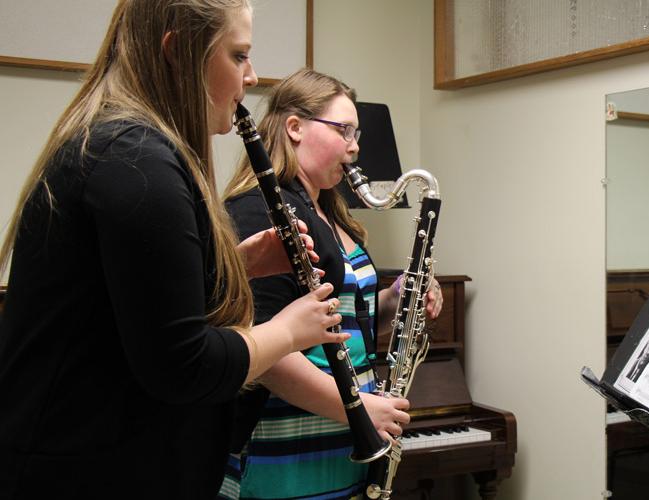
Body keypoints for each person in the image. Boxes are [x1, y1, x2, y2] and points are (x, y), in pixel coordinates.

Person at [0, 2, 348, 499]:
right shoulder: (137, 162)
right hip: (89, 470)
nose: (251, 77)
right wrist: (289, 331)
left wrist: (239, 267)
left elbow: (124, 301)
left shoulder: (122, 145)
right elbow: (186, 366)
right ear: (178, 51)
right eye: (238, 55)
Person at [217, 68, 444, 500]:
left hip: (342, 437)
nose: (355, 147)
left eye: (356, 134)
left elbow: (338, 321)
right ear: (295, 127)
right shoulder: (258, 210)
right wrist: (358, 411)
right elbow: (264, 352)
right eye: (344, 131)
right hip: (285, 444)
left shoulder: (331, 214)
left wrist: (397, 299)